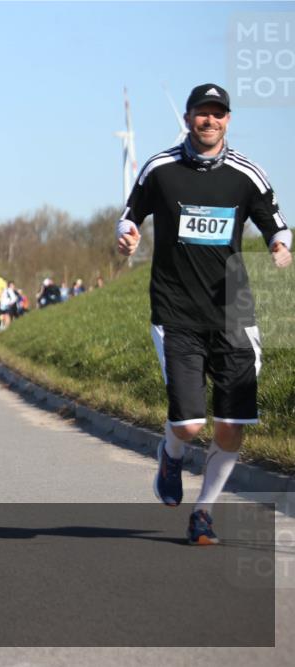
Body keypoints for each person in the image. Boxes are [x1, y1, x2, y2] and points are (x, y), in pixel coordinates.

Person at [117, 83, 291, 545]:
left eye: (218, 113)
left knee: (232, 425)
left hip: (234, 314)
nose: (209, 120)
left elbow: (276, 223)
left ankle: (203, 512)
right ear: (188, 117)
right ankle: (171, 454)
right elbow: (130, 214)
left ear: (228, 120)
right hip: (176, 311)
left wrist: (280, 246)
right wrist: (126, 235)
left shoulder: (247, 173)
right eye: (201, 112)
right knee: (190, 424)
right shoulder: (160, 168)